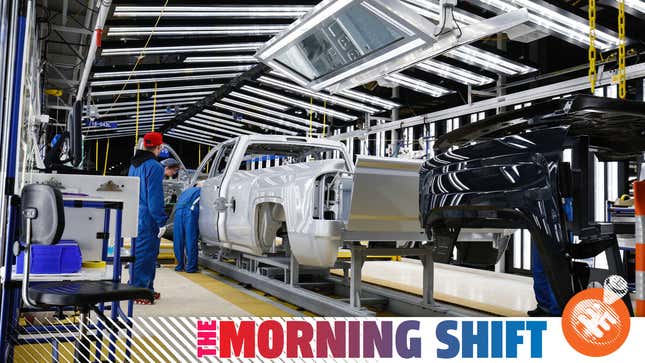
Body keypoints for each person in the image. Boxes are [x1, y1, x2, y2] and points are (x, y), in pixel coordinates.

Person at [128, 132, 168, 304]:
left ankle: (144, 287)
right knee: (147, 254)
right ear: (159, 147)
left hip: (136, 214)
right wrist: (161, 220)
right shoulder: (155, 167)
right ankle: (140, 291)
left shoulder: (134, 165)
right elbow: (155, 198)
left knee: (139, 252)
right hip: (148, 217)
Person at [173, 185, 201, 273]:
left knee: (178, 240)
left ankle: (180, 265)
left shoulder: (186, 191)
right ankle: (191, 267)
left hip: (178, 212)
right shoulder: (202, 191)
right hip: (190, 212)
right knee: (190, 239)